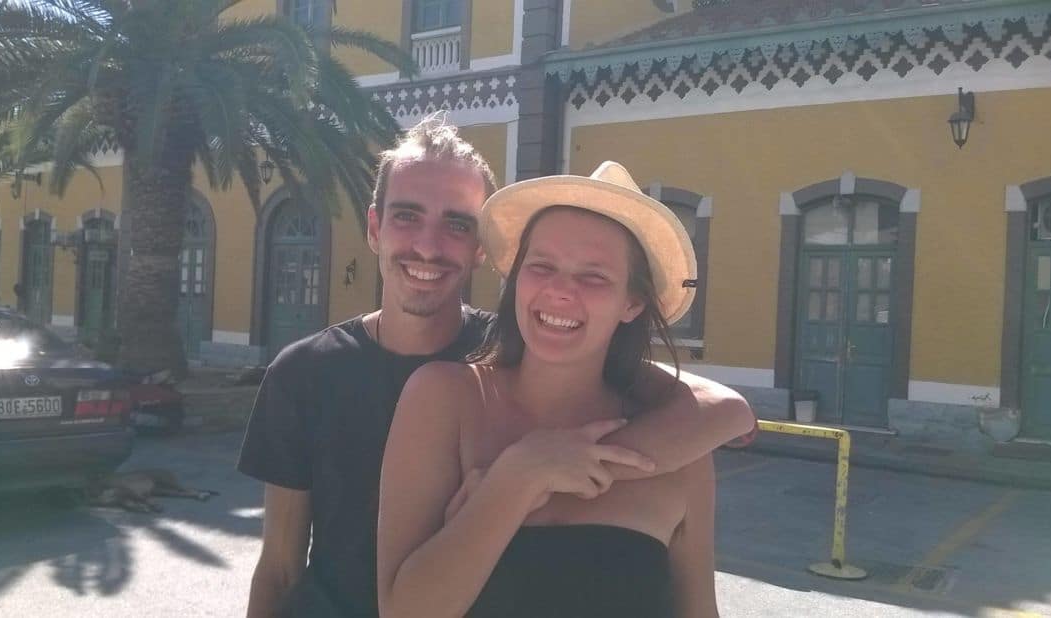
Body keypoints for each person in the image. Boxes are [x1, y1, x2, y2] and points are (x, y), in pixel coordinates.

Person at [239, 116, 753, 617]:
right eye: (407, 216)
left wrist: (564, 468)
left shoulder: (523, 345)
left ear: (481, 248)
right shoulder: (314, 374)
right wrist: (527, 473)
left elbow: (714, 405)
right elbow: (280, 569)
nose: (428, 246)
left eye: (457, 224)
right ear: (375, 227)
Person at [378, 161, 731, 618]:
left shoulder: (680, 447)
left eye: (594, 276)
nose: (561, 291)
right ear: (516, 280)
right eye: (542, 266)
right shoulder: (444, 398)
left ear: (632, 302)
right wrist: (518, 476)